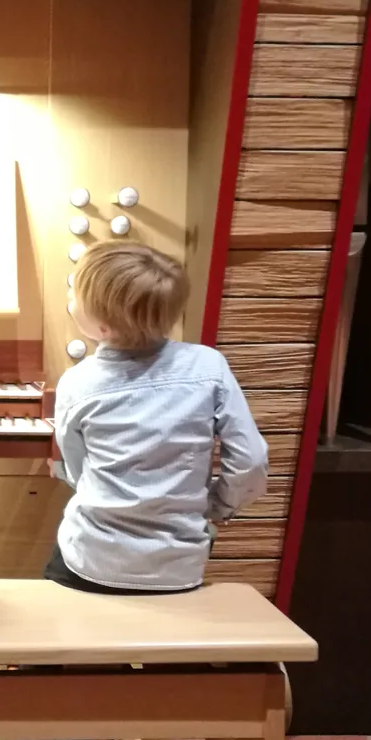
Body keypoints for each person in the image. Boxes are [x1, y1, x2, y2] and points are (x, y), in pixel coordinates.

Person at [48, 240, 269, 594]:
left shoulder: (77, 382)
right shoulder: (209, 365)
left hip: (92, 561)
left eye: (74, 292)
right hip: (178, 567)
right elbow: (251, 460)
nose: (70, 299)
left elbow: (78, 471)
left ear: (101, 326)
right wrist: (216, 504)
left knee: (56, 586)